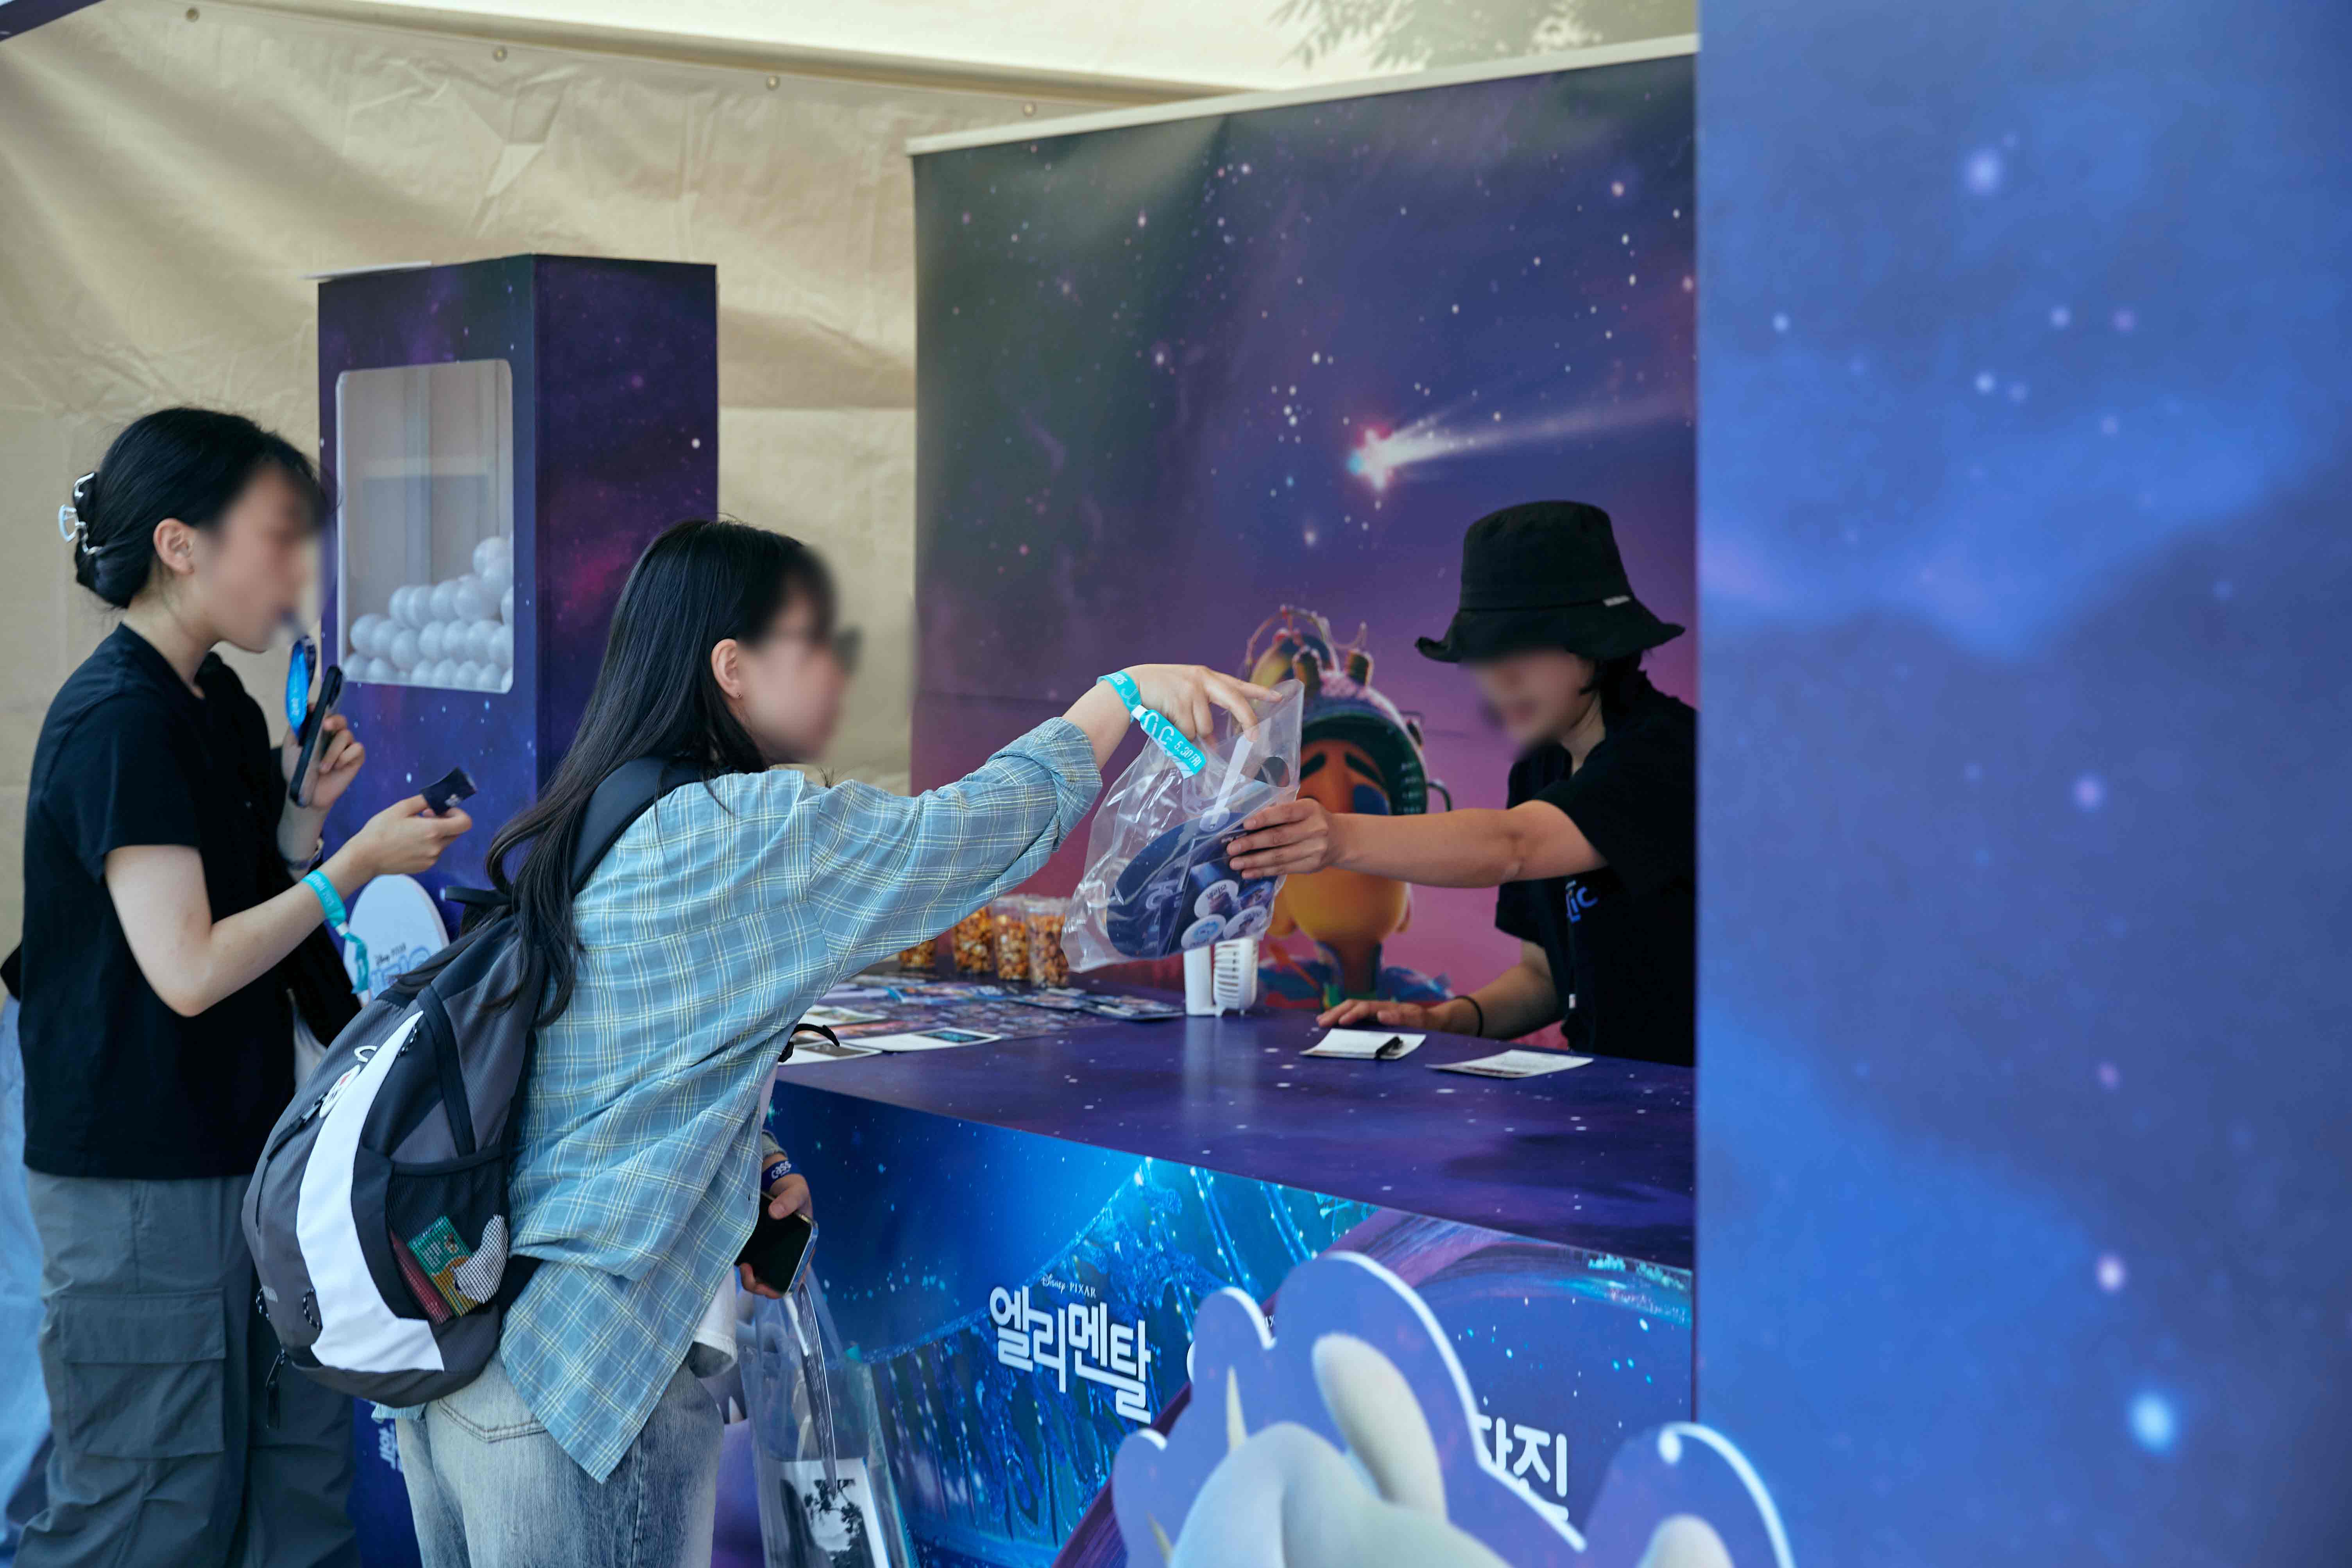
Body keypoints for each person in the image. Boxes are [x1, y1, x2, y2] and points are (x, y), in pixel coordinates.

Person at [392, 516, 1265, 1568]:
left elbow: (612, 1066)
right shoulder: (743, 827)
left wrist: (747, 1168)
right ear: (733, 668)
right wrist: (1117, 697)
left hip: (470, 1372)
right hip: (582, 1391)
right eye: (810, 640)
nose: (836, 668)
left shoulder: (601, 813)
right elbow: (961, 835)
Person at [13, 409, 474, 1566]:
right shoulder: (117, 721)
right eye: (277, 536)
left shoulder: (213, 697)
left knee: (295, 1481)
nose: (299, 570)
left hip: (254, 1148)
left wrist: (302, 816)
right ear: (180, 545)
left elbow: (233, 884)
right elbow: (189, 968)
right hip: (142, 1179)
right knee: (148, 1508)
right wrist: (350, 868)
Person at [1229, 500, 1694, 1067]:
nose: (1499, 678)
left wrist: (1335, 837)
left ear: (1596, 645)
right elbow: (1545, 977)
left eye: (1521, 648)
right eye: (1484, 655)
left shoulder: (1670, 753)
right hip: (1602, 1095)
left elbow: (1513, 847)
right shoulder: (1540, 769)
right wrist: (1442, 1020)